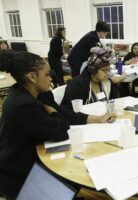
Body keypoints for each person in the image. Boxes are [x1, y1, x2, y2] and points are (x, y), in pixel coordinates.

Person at [0, 50, 69, 199]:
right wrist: (52, 113)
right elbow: (62, 130)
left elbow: (62, 118)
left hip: (25, 162)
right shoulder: (24, 105)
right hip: (18, 176)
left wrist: (52, 110)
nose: (50, 78)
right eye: (46, 74)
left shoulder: (26, 92)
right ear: (32, 77)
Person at [61, 47, 118, 124]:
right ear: (92, 70)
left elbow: (112, 102)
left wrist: (111, 114)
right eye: (104, 70)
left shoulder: (107, 82)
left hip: (104, 124)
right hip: (82, 126)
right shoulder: (77, 85)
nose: (108, 73)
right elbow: (68, 114)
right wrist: (99, 119)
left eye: (108, 69)